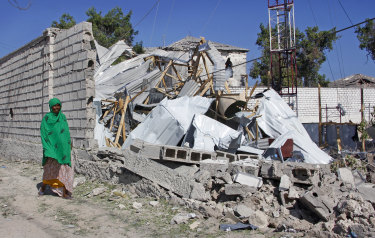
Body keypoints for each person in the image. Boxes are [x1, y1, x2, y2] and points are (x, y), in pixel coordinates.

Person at [39, 98, 73, 199]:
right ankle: (43, 187)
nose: (56, 107)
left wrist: (69, 142)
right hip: (52, 150)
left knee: (66, 169)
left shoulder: (62, 117)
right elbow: (43, 133)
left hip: (63, 149)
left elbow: (66, 131)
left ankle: (65, 192)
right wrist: (47, 148)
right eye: (54, 105)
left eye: (58, 105)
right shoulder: (47, 118)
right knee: (49, 170)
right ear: (50, 106)